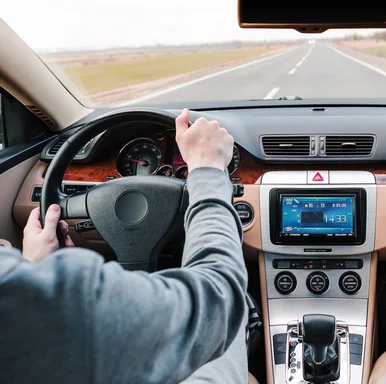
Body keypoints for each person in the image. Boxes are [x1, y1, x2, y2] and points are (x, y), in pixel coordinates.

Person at [0, 109, 249, 384]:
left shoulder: (25, 296)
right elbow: (217, 304)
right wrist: (209, 171)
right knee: (230, 332)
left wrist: (37, 270)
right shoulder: (28, 294)